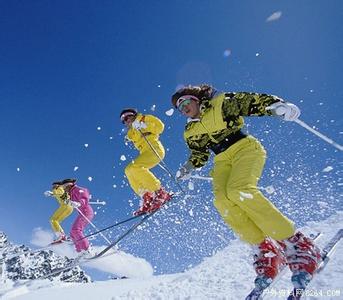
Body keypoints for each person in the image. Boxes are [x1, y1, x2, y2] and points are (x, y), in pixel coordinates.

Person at [171, 84, 321, 293]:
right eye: (180, 107)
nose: (184, 108)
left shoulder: (219, 103)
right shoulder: (190, 131)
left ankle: (298, 244)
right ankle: (267, 251)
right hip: (222, 160)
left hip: (244, 148)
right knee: (222, 201)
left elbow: (248, 102)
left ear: (196, 100)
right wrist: (189, 166)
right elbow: (200, 154)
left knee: (239, 190)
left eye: (186, 102)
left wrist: (275, 106)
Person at [120, 108, 172, 215]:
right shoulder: (131, 132)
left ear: (134, 115)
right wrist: (129, 136)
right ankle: (146, 196)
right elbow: (132, 136)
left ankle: (160, 192)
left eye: (128, 116)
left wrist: (144, 126)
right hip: (145, 153)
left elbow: (160, 127)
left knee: (135, 168)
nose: (126, 120)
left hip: (155, 149)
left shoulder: (144, 118)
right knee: (128, 170)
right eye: (123, 120)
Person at [61, 178, 94, 257]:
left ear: (69, 185)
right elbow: (66, 198)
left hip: (87, 212)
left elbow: (84, 195)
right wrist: (68, 201)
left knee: (76, 230)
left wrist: (79, 203)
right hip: (82, 213)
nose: (64, 189)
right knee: (72, 233)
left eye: (65, 187)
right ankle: (80, 251)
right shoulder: (70, 193)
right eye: (63, 188)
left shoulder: (78, 189)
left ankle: (86, 249)